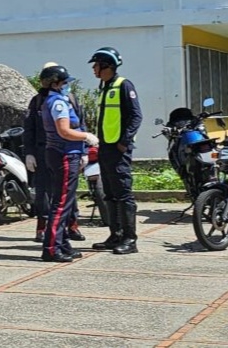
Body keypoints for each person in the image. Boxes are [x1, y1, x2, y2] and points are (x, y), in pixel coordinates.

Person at [39, 65, 99, 262]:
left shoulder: (57, 100)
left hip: (65, 154)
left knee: (64, 202)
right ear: (55, 83)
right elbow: (64, 131)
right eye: (64, 83)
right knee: (62, 203)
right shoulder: (57, 103)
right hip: (64, 154)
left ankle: (62, 243)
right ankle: (50, 248)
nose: (67, 86)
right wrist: (86, 136)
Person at [23, 62, 86, 243]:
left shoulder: (69, 99)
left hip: (68, 150)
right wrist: (29, 152)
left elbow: (79, 124)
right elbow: (29, 129)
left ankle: (72, 225)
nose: (66, 86)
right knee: (43, 191)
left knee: (67, 192)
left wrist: (84, 150)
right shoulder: (37, 101)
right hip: (43, 150)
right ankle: (43, 228)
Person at [89, 47, 143, 255]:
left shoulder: (123, 85)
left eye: (96, 65)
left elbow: (136, 116)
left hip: (118, 148)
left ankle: (130, 239)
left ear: (107, 66)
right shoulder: (105, 87)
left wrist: (124, 141)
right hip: (105, 147)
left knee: (123, 194)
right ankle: (115, 235)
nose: (94, 69)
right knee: (110, 194)